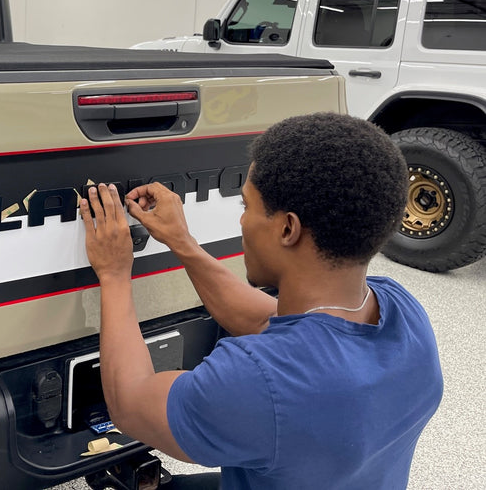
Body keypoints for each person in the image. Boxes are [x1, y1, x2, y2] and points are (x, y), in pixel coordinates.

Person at [79, 112, 442, 489]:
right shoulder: (403, 311)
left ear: (287, 229)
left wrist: (114, 273)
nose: (242, 222)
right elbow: (262, 321)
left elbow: (130, 404)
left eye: (246, 207)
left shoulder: (259, 381)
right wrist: (182, 243)